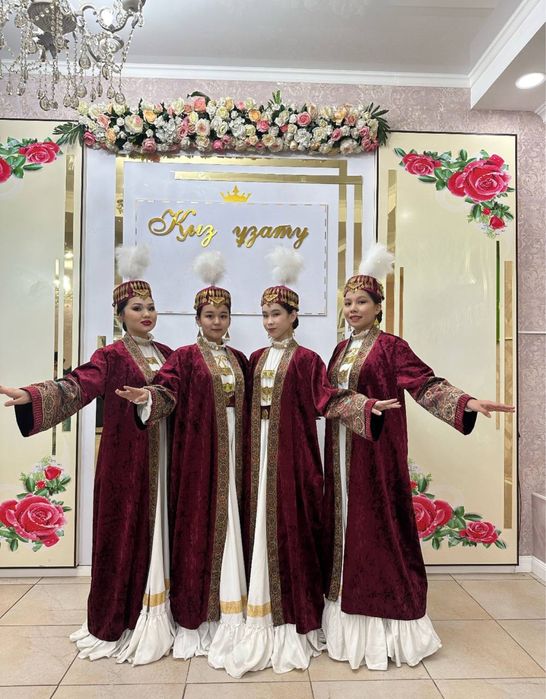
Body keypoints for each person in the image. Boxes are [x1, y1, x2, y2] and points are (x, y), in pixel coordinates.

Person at [321, 243, 515, 671]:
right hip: (340, 454)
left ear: (378, 307)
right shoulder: (339, 351)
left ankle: (385, 621)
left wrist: (465, 402)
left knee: (379, 529)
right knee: (344, 526)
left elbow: (425, 384)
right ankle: (342, 620)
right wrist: (355, 405)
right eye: (348, 302)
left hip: (376, 455)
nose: (353, 309)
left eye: (361, 302)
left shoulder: (391, 347)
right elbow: (328, 395)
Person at [224, 247, 399, 677]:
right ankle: (256, 608)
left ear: (293, 316)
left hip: (291, 457)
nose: (269, 322)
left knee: (290, 527)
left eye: (276, 314)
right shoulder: (255, 359)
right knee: (256, 524)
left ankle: (292, 615)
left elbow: (327, 397)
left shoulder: (308, 360)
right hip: (256, 455)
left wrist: (364, 406)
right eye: (264, 315)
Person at [0, 245, 174, 666]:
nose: (146, 314)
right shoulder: (111, 356)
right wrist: (34, 395)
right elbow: (80, 384)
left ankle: (161, 615)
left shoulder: (168, 354)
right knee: (124, 534)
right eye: (137, 308)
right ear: (121, 315)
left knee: (162, 533)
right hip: (126, 461)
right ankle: (119, 621)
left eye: (151, 307)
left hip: (166, 459)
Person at [116, 251, 248, 669]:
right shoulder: (185, 357)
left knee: (235, 521)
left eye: (223, 315)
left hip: (237, 455)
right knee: (199, 527)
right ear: (198, 318)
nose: (216, 322)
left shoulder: (240, 359)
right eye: (209, 315)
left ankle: (235, 608)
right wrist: (148, 396)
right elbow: (167, 389)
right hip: (200, 457)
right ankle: (197, 614)